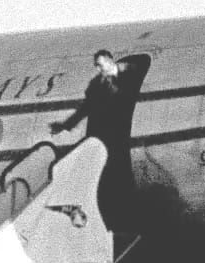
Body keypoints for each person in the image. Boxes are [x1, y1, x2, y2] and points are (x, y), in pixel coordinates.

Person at [49, 50, 145, 230]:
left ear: (110, 61)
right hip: (108, 139)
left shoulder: (131, 74)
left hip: (120, 138)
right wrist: (65, 125)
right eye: (97, 65)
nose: (98, 68)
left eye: (100, 64)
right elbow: (85, 108)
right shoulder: (98, 85)